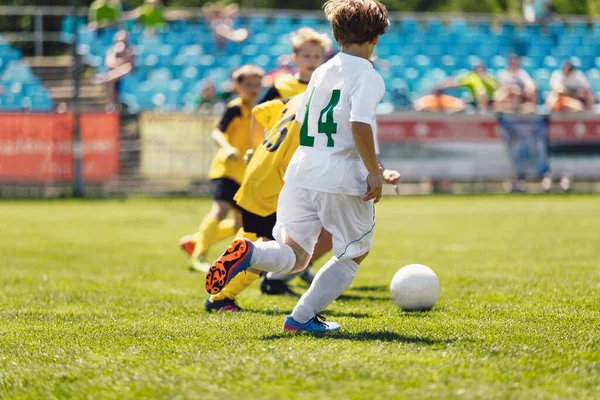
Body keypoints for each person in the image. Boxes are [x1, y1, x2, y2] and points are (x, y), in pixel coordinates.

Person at [205, 0, 390, 332]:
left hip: (301, 172)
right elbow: (359, 124)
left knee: (295, 255)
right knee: (354, 252)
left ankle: (250, 252)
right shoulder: (368, 75)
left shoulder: (321, 71)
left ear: (336, 36)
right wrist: (374, 172)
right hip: (340, 178)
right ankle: (301, 318)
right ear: (376, 37)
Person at [199, 94, 400, 312]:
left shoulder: (299, 97)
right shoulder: (337, 108)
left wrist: (255, 148)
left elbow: (258, 113)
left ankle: (254, 279)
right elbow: (342, 147)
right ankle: (224, 296)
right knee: (277, 247)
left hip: (260, 169)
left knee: (268, 239)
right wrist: (375, 172)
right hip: (283, 177)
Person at [181, 65, 264, 273]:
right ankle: (198, 255)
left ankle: (196, 240)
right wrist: (227, 147)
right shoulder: (235, 108)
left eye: (257, 85)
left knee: (239, 225)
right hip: (226, 169)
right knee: (219, 210)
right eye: (248, 85)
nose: (253, 89)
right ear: (237, 86)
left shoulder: (260, 110)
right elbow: (217, 132)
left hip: (243, 173)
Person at [259, 27, 332, 104]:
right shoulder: (281, 86)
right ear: (294, 57)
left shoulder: (327, 86)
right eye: (307, 56)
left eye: (317, 56)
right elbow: (259, 112)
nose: (312, 61)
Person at [101, 30, 134, 110]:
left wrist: (120, 61)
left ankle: (114, 103)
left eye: (124, 41)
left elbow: (129, 64)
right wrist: (117, 55)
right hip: (114, 73)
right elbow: (109, 63)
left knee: (110, 77)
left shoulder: (130, 50)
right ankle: (112, 103)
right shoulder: (111, 51)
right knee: (109, 78)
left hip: (126, 71)